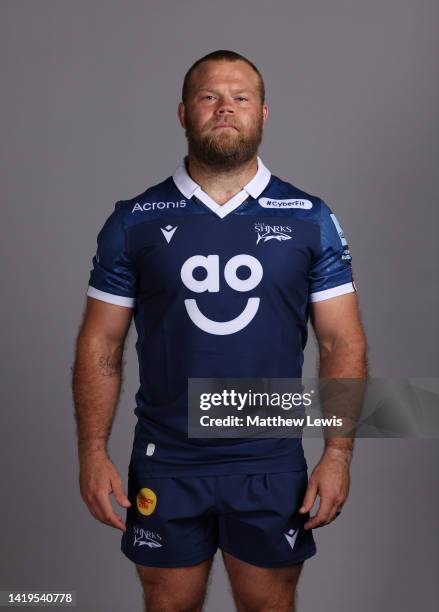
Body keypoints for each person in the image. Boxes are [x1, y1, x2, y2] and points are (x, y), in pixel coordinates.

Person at [72, 49, 367, 612]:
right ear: (184, 112)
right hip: (167, 456)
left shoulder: (310, 217)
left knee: (268, 604)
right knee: (168, 603)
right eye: (209, 97)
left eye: (240, 97)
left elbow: (340, 342)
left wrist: (337, 453)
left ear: (263, 112)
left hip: (268, 457)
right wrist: (92, 449)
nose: (225, 108)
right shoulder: (134, 220)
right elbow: (101, 343)